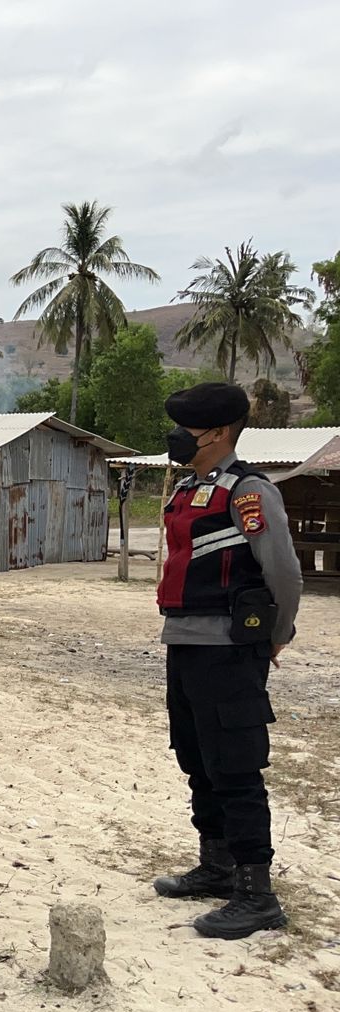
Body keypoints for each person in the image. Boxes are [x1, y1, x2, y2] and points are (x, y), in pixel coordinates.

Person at [150, 383, 303, 939]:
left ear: (216, 433)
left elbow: (283, 572)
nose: (176, 437)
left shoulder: (249, 491)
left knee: (235, 767)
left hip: (230, 649)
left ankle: (256, 893)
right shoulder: (193, 486)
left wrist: (277, 635)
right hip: (186, 641)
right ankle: (215, 866)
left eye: (186, 427)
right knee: (197, 758)